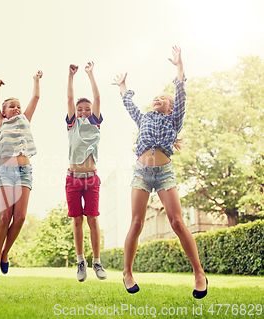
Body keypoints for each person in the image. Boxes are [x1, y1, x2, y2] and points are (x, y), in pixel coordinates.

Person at [112, 47, 208, 299]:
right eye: (155, 97)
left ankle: (199, 273)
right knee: (136, 222)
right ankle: (127, 272)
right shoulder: (143, 117)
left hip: (164, 173)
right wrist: (123, 86)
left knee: (177, 222)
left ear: (170, 107)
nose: (157, 98)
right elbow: (128, 104)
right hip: (142, 173)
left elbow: (180, 92)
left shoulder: (174, 119)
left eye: (162, 98)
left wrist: (179, 67)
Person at [0, 71, 43, 280]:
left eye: (19, 106)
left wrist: (36, 80)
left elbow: (36, 98)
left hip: (24, 171)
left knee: (19, 218)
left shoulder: (25, 119)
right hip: (5, 171)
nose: (17, 109)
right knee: (5, 216)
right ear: (3, 112)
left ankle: (4, 252)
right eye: (12, 106)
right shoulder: (0, 123)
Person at [66, 62, 107, 282]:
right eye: (80, 109)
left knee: (93, 219)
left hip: (91, 180)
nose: (83, 111)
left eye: (86, 109)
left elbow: (97, 99)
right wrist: (71, 77)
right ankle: (80, 261)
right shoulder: (72, 125)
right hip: (73, 179)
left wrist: (91, 74)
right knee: (77, 221)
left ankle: (97, 262)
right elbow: (69, 100)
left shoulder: (95, 124)